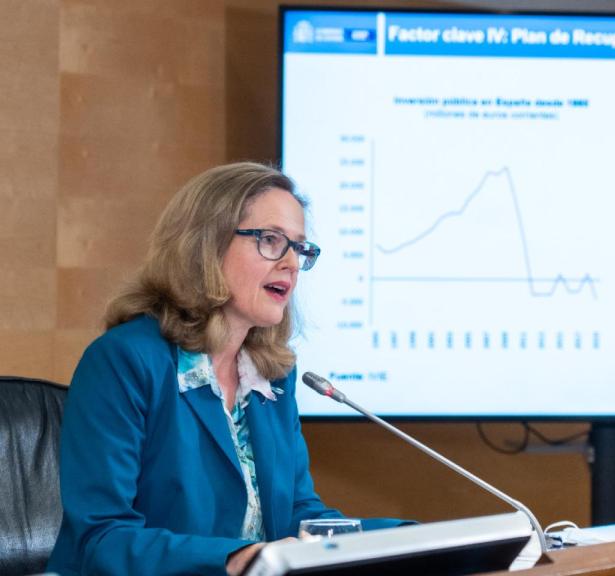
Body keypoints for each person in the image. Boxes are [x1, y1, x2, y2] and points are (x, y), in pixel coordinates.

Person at [47, 163, 402, 576]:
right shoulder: (124, 361)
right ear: (206, 245)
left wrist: (412, 541)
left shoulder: (273, 376)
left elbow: (296, 516)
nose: (290, 262)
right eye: (271, 240)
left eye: (300, 248)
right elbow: (101, 538)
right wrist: (236, 559)